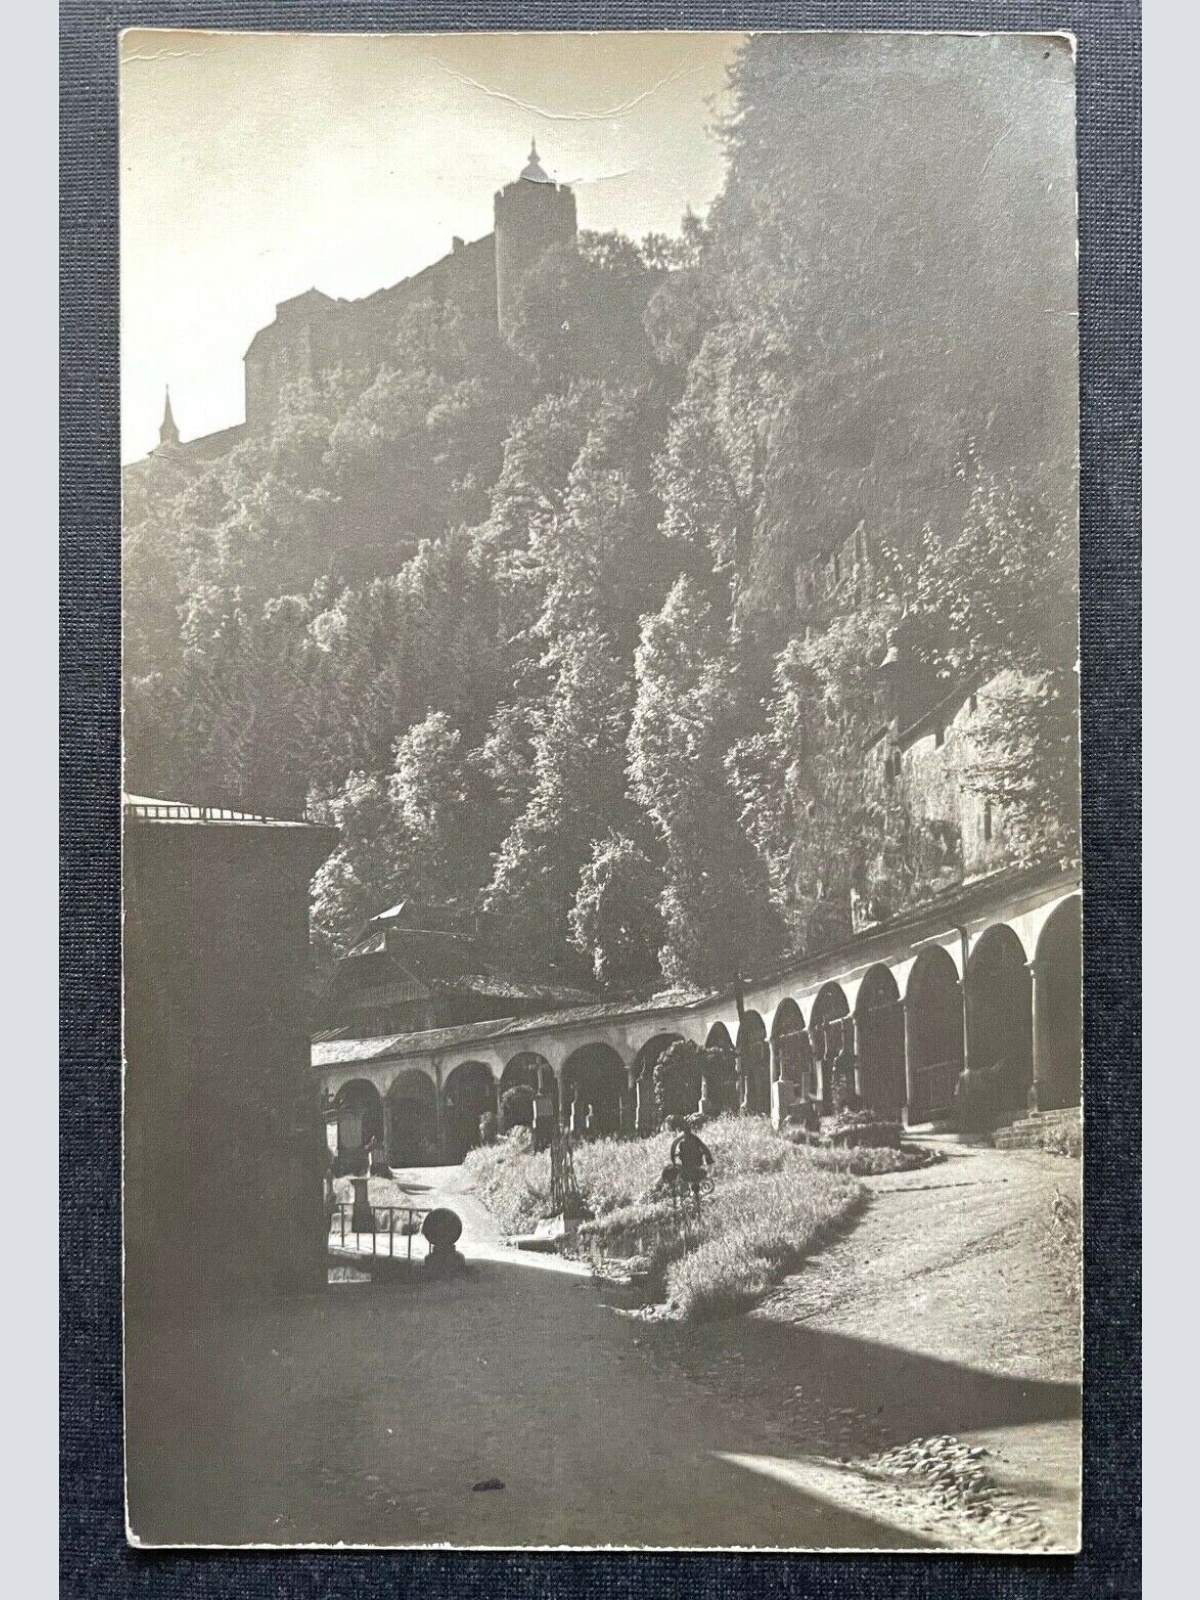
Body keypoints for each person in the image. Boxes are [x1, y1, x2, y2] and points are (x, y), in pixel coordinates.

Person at [670, 1117, 715, 1210]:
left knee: (683, 1184)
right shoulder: (695, 1139)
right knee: (692, 1185)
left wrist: (674, 1163)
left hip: (687, 1171)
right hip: (696, 1170)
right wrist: (709, 1161)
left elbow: (673, 1151)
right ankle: (692, 1200)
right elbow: (706, 1151)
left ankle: (687, 1202)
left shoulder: (680, 1141)